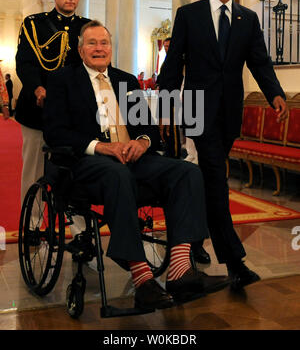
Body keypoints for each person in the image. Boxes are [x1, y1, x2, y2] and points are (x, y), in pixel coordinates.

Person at [43, 20, 230, 311]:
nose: (99, 48)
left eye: (104, 43)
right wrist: (102, 146)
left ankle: (180, 269)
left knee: (187, 172)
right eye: (91, 43)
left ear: (111, 48)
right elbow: (55, 132)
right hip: (86, 162)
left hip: (132, 159)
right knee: (117, 174)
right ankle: (142, 278)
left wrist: (142, 142)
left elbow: (149, 128)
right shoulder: (62, 80)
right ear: (80, 50)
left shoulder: (126, 80)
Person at [159, 0, 288, 290]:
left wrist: (275, 93)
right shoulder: (189, 15)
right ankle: (234, 261)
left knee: (203, 179)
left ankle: (192, 241)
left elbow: (259, 62)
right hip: (197, 110)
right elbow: (174, 64)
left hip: (230, 113)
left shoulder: (247, 19)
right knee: (216, 178)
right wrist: (166, 105)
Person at [15, 0, 90, 213]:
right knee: (35, 170)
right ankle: (33, 224)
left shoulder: (86, 27)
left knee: (75, 171)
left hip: (72, 113)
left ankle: (79, 230)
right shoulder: (33, 23)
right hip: (36, 110)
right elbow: (25, 62)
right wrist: (37, 87)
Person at [157, 37, 181, 159]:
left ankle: (174, 154)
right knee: (163, 127)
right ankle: (168, 151)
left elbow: (175, 81)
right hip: (163, 97)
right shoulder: (167, 60)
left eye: (168, 46)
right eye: (165, 46)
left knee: (171, 128)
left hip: (172, 98)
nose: (167, 48)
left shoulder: (177, 60)